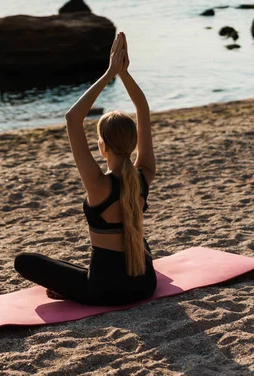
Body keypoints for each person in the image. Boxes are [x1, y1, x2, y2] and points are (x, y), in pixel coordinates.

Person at [14, 32, 157, 306]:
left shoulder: (98, 184)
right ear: (134, 141)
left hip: (104, 291)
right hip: (145, 283)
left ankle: (72, 291)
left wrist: (108, 73)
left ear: (101, 146)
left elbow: (72, 118)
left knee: (25, 261)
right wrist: (124, 74)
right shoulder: (144, 175)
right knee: (135, 241)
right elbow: (143, 110)